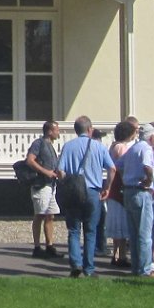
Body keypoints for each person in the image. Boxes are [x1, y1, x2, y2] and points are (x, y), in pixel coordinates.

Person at [57, 115, 114, 278]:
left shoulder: (68, 146)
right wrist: (107, 187)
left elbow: (60, 171)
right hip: (92, 190)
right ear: (90, 129)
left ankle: (75, 263)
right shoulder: (99, 147)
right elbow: (112, 169)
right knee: (90, 231)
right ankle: (89, 268)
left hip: (74, 190)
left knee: (74, 230)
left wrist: (65, 183)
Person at [114, 119, 154, 277]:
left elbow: (117, 165)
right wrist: (149, 179)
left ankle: (136, 267)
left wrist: (127, 176)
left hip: (128, 191)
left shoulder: (133, 149)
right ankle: (145, 269)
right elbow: (147, 166)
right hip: (141, 192)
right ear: (151, 137)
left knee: (133, 233)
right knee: (145, 234)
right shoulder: (146, 149)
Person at [25, 119, 63, 259]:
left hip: (51, 185)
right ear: (49, 131)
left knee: (50, 215)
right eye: (57, 130)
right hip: (41, 185)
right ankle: (36, 246)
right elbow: (30, 160)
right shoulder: (39, 143)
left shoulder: (51, 146)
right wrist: (45, 172)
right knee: (39, 214)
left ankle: (50, 245)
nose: (58, 132)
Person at [104, 120, 135, 267]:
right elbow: (122, 167)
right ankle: (121, 255)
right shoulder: (121, 148)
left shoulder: (113, 146)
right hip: (120, 187)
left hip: (114, 186)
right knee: (122, 224)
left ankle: (117, 254)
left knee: (117, 223)